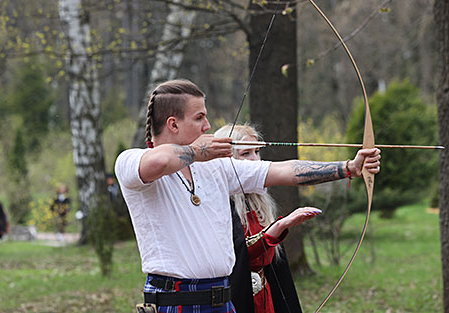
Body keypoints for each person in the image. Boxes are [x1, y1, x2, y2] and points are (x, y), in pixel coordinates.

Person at [114, 79, 381, 312]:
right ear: (172, 124)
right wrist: (197, 152)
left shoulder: (215, 168)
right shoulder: (130, 161)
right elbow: (157, 163)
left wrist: (348, 168)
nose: (207, 126)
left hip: (223, 300)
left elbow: (282, 171)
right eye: (199, 118)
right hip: (176, 302)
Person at [216, 124, 320, 313]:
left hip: (264, 296)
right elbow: (239, 254)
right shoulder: (219, 203)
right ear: (227, 159)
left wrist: (351, 168)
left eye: (256, 151)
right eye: (246, 153)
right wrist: (280, 226)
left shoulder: (256, 201)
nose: (255, 159)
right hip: (236, 299)